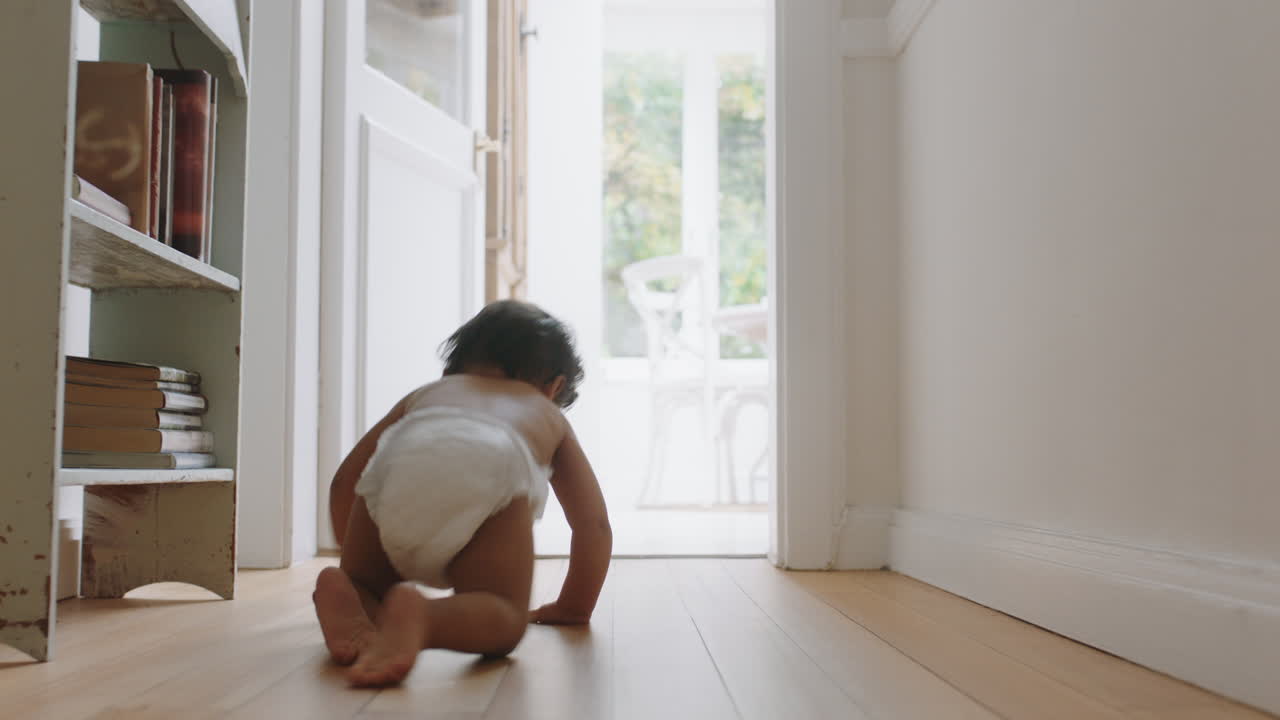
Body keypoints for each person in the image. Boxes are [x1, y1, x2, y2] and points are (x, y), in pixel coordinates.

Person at [313, 300, 612, 687]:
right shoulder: (545, 412)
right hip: (489, 463)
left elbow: (346, 481)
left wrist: (351, 556)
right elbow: (593, 524)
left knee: (368, 589)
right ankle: (426, 618)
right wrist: (573, 607)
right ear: (553, 387)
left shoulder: (425, 397)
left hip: (399, 463)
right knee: (502, 617)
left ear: (450, 371)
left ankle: (349, 594)